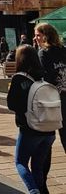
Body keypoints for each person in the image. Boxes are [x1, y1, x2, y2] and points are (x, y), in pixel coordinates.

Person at [7, 45, 56, 194]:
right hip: (49, 129)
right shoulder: (43, 75)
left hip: (30, 128)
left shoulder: (19, 78)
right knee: (38, 166)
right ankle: (41, 190)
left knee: (20, 162)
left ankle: (34, 191)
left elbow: (12, 104)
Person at [35, 22, 66, 193]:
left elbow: (43, 78)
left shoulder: (43, 53)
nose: (36, 38)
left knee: (46, 143)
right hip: (65, 102)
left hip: (51, 105)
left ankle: (42, 185)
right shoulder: (64, 50)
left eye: (38, 35)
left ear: (46, 35)